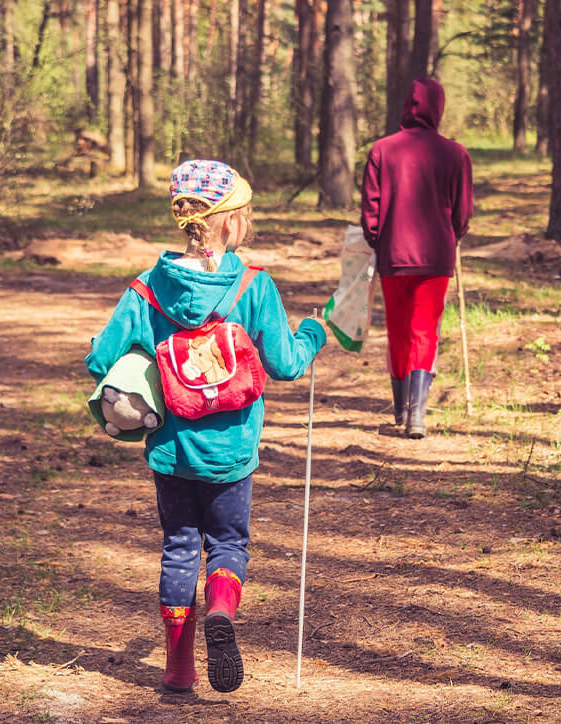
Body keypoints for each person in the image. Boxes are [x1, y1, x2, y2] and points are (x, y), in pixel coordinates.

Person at [85, 160, 326, 693]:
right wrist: (313, 333)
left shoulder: (146, 289)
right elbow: (286, 364)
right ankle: (221, 610)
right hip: (233, 450)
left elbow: (101, 360)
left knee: (178, 546)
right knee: (228, 545)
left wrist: (138, 363)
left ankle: (178, 668)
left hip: (171, 449)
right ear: (232, 222)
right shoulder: (254, 287)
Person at [361, 77, 474, 439]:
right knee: (425, 330)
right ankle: (416, 416)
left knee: (397, 331)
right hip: (436, 256)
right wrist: (453, 233)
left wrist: (378, 240)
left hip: (393, 254)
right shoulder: (456, 154)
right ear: (438, 107)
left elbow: (371, 211)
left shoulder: (382, 150)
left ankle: (400, 408)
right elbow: (463, 213)